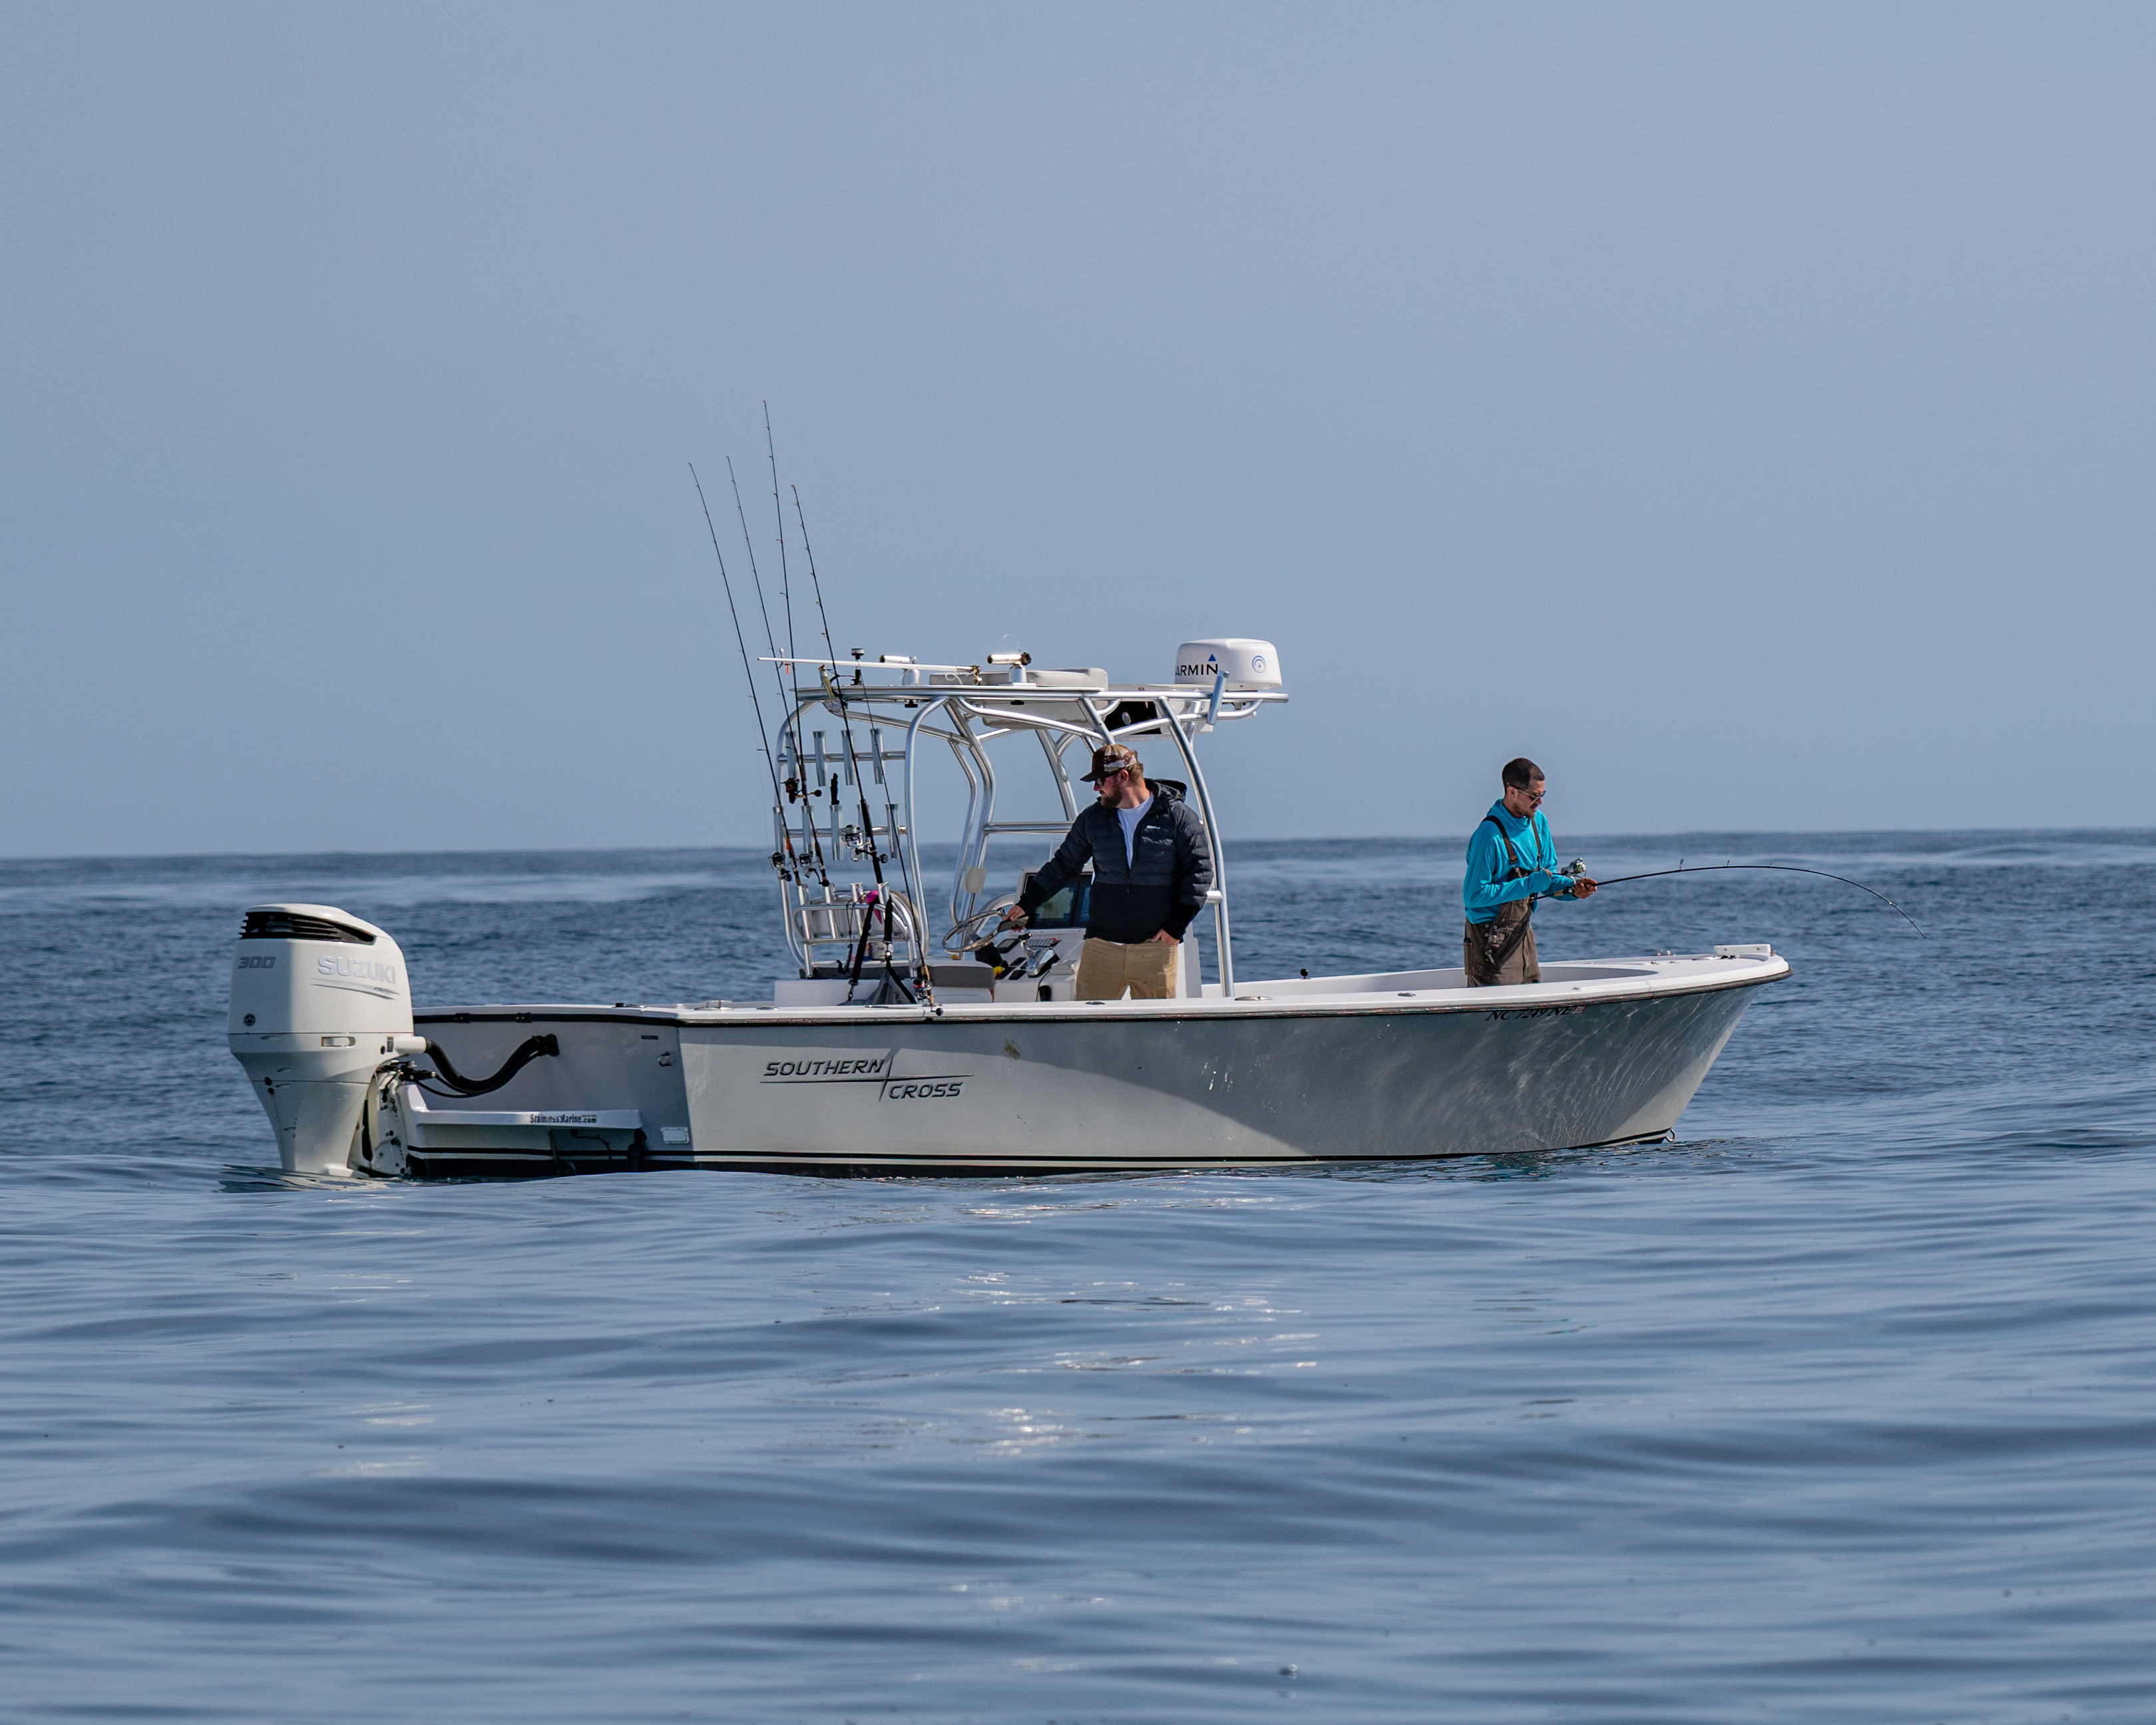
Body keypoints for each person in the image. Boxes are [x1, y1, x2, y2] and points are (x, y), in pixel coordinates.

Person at [1002, 742, 1213, 999]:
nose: (1095, 787)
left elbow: (1200, 872)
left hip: (1155, 949)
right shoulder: (1092, 819)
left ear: (1123, 777)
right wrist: (1026, 904)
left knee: (1156, 1035)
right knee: (1089, 1030)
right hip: (1101, 948)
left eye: (1101, 780)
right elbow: (1064, 865)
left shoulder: (1178, 816)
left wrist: (1175, 928)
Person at [1462, 757, 1597, 986]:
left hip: (1524, 931)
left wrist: (1573, 890)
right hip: (1489, 938)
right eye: (1533, 796)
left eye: (1543, 794)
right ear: (1511, 791)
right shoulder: (1489, 836)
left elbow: (1548, 879)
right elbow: (1474, 896)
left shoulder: (1539, 823)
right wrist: (1530, 884)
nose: (1540, 802)